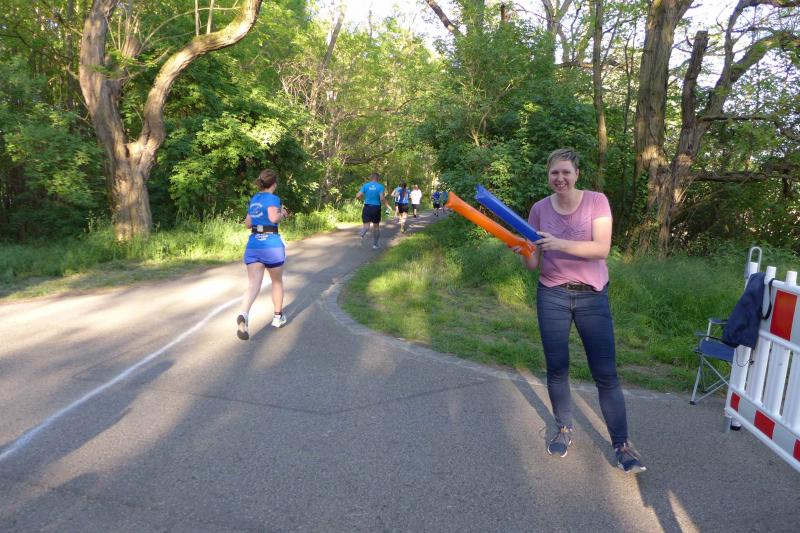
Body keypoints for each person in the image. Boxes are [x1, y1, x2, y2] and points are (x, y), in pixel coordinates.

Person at [512, 148, 646, 474]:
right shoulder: (539, 209)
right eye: (554, 173)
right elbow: (533, 263)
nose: (560, 178)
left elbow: (601, 248)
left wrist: (557, 243)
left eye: (565, 172)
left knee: (606, 373)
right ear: (548, 175)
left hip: (592, 296)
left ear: (576, 174)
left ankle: (622, 445)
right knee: (557, 367)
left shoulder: (597, 202)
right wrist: (522, 249)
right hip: (552, 294)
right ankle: (564, 428)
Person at [237, 169, 289, 340]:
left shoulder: (255, 199)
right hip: (271, 245)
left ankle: (244, 314)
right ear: (274, 183)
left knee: (253, 285)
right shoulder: (273, 199)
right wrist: (282, 213)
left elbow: (248, 223)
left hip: (254, 245)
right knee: (276, 282)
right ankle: (277, 317)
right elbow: (273, 219)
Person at [356, 172, 393, 249]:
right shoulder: (380, 187)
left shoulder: (365, 185)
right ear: (377, 178)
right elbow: (382, 199)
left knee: (366, 227)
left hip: (367, 207)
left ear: (371, 177)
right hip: (376, 208)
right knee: (376, 227)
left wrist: (362, 199)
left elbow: (358, 195)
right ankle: (375, 245)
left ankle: (361, 235)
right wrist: (388, 206)